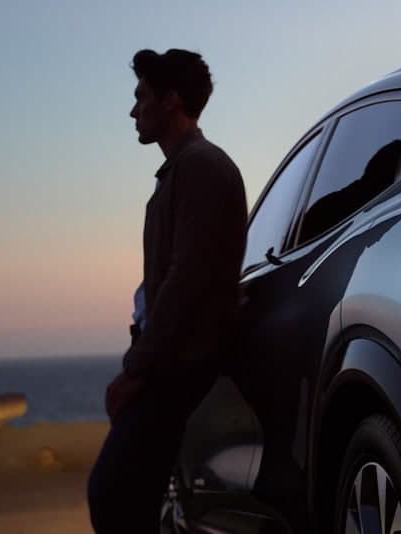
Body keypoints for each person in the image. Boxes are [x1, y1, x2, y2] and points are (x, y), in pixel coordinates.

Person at [86, 48, 247, 533]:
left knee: (112, 496)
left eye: (141, 97)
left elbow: (186, 281)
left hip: (177, 369)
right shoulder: (184, 169)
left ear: (171, 100)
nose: (134, 110)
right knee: (132, 502)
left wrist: (136, 371)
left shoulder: (200, 167)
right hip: (172, 365)